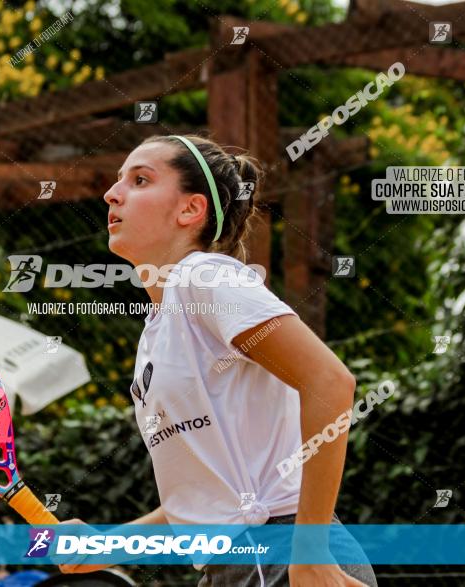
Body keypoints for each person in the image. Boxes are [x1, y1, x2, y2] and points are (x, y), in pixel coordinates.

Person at [58, 134, 378, 586]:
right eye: (118, 181)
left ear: (190, 210)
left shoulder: (203, 276)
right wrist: (110, 545)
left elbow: (329, 381)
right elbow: (204, 501)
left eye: (140, 179)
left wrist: (310, 551)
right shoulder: (158, 329)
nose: (112, 193)